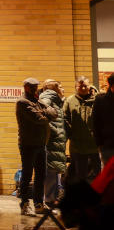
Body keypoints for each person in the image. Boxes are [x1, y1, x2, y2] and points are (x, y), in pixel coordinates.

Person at [16, 77, 57, 216]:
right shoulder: (22, 102)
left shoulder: (37, 101)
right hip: (28, 144)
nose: (34, 88)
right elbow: (39, 119)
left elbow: (54, 113)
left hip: (41, 143)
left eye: (36, 86)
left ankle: (39, 203)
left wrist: (45, 113)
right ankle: (24, 204)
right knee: (27, 175)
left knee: (41, 174)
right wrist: (46, 113)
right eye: (31, 86)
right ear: (26, 87)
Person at [64, 77, 101, 185]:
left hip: (96, 145)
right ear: (76, 87)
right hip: (78, 146)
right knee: (80, 176)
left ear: (90, 86)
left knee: (98, 175)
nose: (83, 88)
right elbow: (64, 118)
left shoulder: (98, 100)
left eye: (86, 85)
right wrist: (71, 134)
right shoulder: (70, 100)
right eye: (80, 86)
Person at [41, 80, 68, 209]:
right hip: (52, 140)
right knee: (51, 170)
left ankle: (52, 198)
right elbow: (43, 115)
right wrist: (55, 131)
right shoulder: (47, 98)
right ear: (54, 88)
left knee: (54, 169)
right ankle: (49, 200)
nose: (63, 89)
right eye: (61, 87)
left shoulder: (55, 100)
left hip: (56, 140)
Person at [91, 73, 114, 168]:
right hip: (107, 145)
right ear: (112, 86)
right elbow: (95, 123)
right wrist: (99, 144)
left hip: (106, 144)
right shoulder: (100, 100)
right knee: (109, 175)